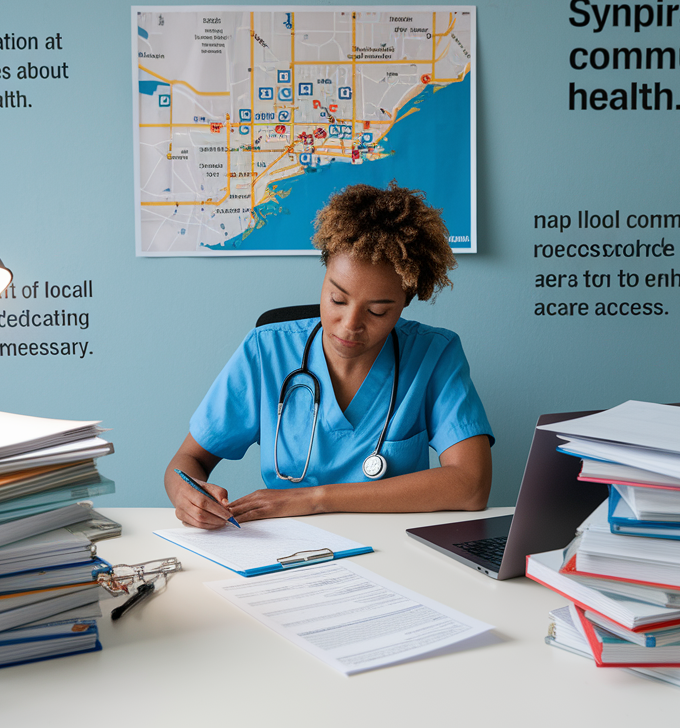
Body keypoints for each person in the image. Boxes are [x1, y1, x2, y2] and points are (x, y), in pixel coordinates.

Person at [164, 182, 493, 528]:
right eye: (337, 299)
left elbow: (471, 486)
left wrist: (316, 499)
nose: (350, 325)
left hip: (395, 548)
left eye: (378, 312)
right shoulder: (266, 350)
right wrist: (186, 494)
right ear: (324, 275)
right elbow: (187, 460)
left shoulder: (435, 354)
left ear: (406, 303)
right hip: (288, 548)